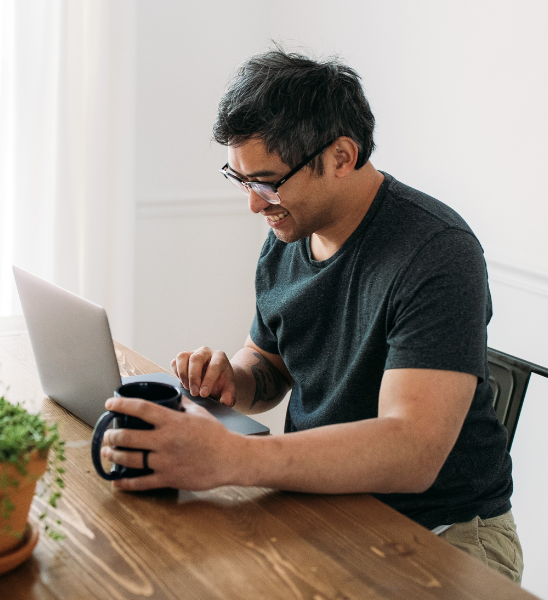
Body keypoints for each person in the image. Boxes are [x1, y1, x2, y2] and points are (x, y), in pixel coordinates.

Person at [98, 49, 522, 583]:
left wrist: (231, 459)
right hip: (325, 504)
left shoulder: (437, 251)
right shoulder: (288, 233)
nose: (254, 204)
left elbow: (410, 451)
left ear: (342, 156)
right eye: (242, 180)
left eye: (268, 182)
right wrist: (233, 378)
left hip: (445, 532)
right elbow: (269, 369)